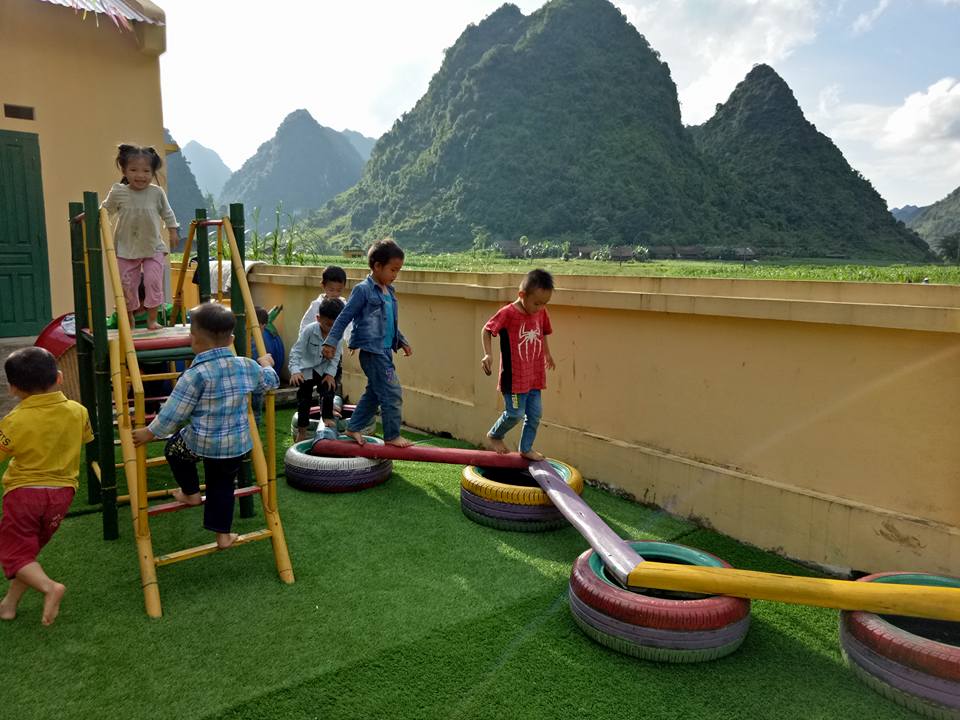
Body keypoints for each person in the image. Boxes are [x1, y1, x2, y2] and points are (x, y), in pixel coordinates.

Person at [132, 303, 279, 549]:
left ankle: (190, 492)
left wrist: (149, 433)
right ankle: (223, 536)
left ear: (194, 340)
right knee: (222, 486)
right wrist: (265, 363)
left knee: (174, 450)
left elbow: (173, 413)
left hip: (201, 442)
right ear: (231, 339)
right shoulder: (246, 366)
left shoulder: (195, 375)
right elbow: (270, 382)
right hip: (236, 445)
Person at [0, 347, 94, 626]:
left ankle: (50, 587)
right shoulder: (78, 412)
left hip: (24, 495)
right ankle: (9, 605)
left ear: (12, 388)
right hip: (62, 495)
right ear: (59, 377)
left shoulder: (14, 420)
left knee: (14, 552)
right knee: (27, 554)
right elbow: (84, 438)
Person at [322, 239, 413, 448]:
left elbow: (389, 323)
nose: (395, 275)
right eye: (393, 270)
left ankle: (353, 427)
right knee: (392, 392)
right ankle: (392, 436)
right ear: (377, 266)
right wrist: (331, 342)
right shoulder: (363, 290)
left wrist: (401, 341)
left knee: (374, 393)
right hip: (373, 353)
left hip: (385, 351)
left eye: (398, 270)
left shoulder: (389, 292)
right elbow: (344, 317)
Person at [101, 144, 179, 331]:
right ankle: (129, 319)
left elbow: (167, 213)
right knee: (127, 286)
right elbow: (105, 210)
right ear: (124, 170)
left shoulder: (156, 192)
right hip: (126, 247)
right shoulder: (119, 191)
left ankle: (152, 320)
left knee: (153, 281)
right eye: (134, 170)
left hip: (153, 246)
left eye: (146, 171)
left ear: (152, 172)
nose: (140, 175)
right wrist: (91, 215)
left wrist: (172, 231)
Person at [481, 268, 556, 461]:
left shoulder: (541, 311)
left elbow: (543, 332)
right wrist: (488, 354)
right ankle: (495, 435)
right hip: (514, 378)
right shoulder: (508, 313)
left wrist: (547, 353)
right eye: (536, 303)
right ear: (522, 295)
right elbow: (487, 330)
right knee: (515, 414)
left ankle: (526, 448)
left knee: (535, 415)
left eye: (544, 303)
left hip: (534, 376)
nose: (540, 308)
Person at [289, 299, 344, 442]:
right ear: (318, 318)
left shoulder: (338, 335)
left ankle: (327, 416)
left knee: (329, 389)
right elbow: (296, 351)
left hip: (325, 368)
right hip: (307, 369)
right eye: (328, 324)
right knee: (304, 399)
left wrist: (330, 374)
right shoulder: (309, 330)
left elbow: (336, 358)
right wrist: (295, 371)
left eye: (335, 325)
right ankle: (302, 431)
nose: (331, 329)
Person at [299, 265, 348, 400]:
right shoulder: (316, 305)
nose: (335, 293)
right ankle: (304, 409)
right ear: (323, 286)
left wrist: (350, 341)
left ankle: (327, 408)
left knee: (329, 385)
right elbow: (304, 326)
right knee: (306, 386)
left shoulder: (344, 306)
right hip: (314, 353)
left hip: (334, 354)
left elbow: (349, 325)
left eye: (339, 290)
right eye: (331, 289)